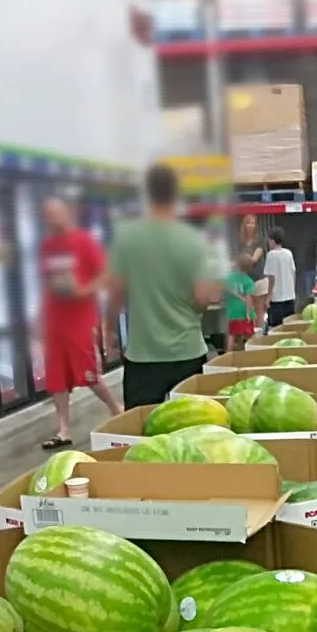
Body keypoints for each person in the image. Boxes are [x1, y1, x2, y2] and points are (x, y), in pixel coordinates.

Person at [105, 164, 221, 410]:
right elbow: (203, 296)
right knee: (191, 427)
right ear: (176, 195)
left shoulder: (126, 237)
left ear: (147, 193)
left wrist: (109, 331)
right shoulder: (194, 240)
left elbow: (115, 292)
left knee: (142, 433)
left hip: (143, 355)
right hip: (187, 352)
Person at [39, 197, 120, 448]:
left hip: (80, 320)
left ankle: (116, 408)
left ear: (67, 214)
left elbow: (106, 273)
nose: (54, 219)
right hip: (54, 320)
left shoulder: (83, 241)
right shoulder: (47, 246)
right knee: (56, 377)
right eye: (49, 215)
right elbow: (46, 281)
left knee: (89, 373)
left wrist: (84, 291)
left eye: (58, 213)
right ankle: (63, 429)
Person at [224, 251, 259, 350]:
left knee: (232, 334)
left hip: (232, 312)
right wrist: (248, 312)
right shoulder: (248, 281)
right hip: (244, 312)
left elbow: (225, 288)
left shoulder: (229, 278)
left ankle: (228, 353)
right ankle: (250, 352)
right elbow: (248, 297)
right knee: (249, 335)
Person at [263, 227, 297, 326]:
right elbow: (293, 272)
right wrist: (292, 290)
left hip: (277, 298)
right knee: (289, 325)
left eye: (269, 241)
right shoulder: (288, 253)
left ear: (272, 241)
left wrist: (268, 297)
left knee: (277, 327)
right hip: (290, 296)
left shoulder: (271, 255)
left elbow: (271, 278)